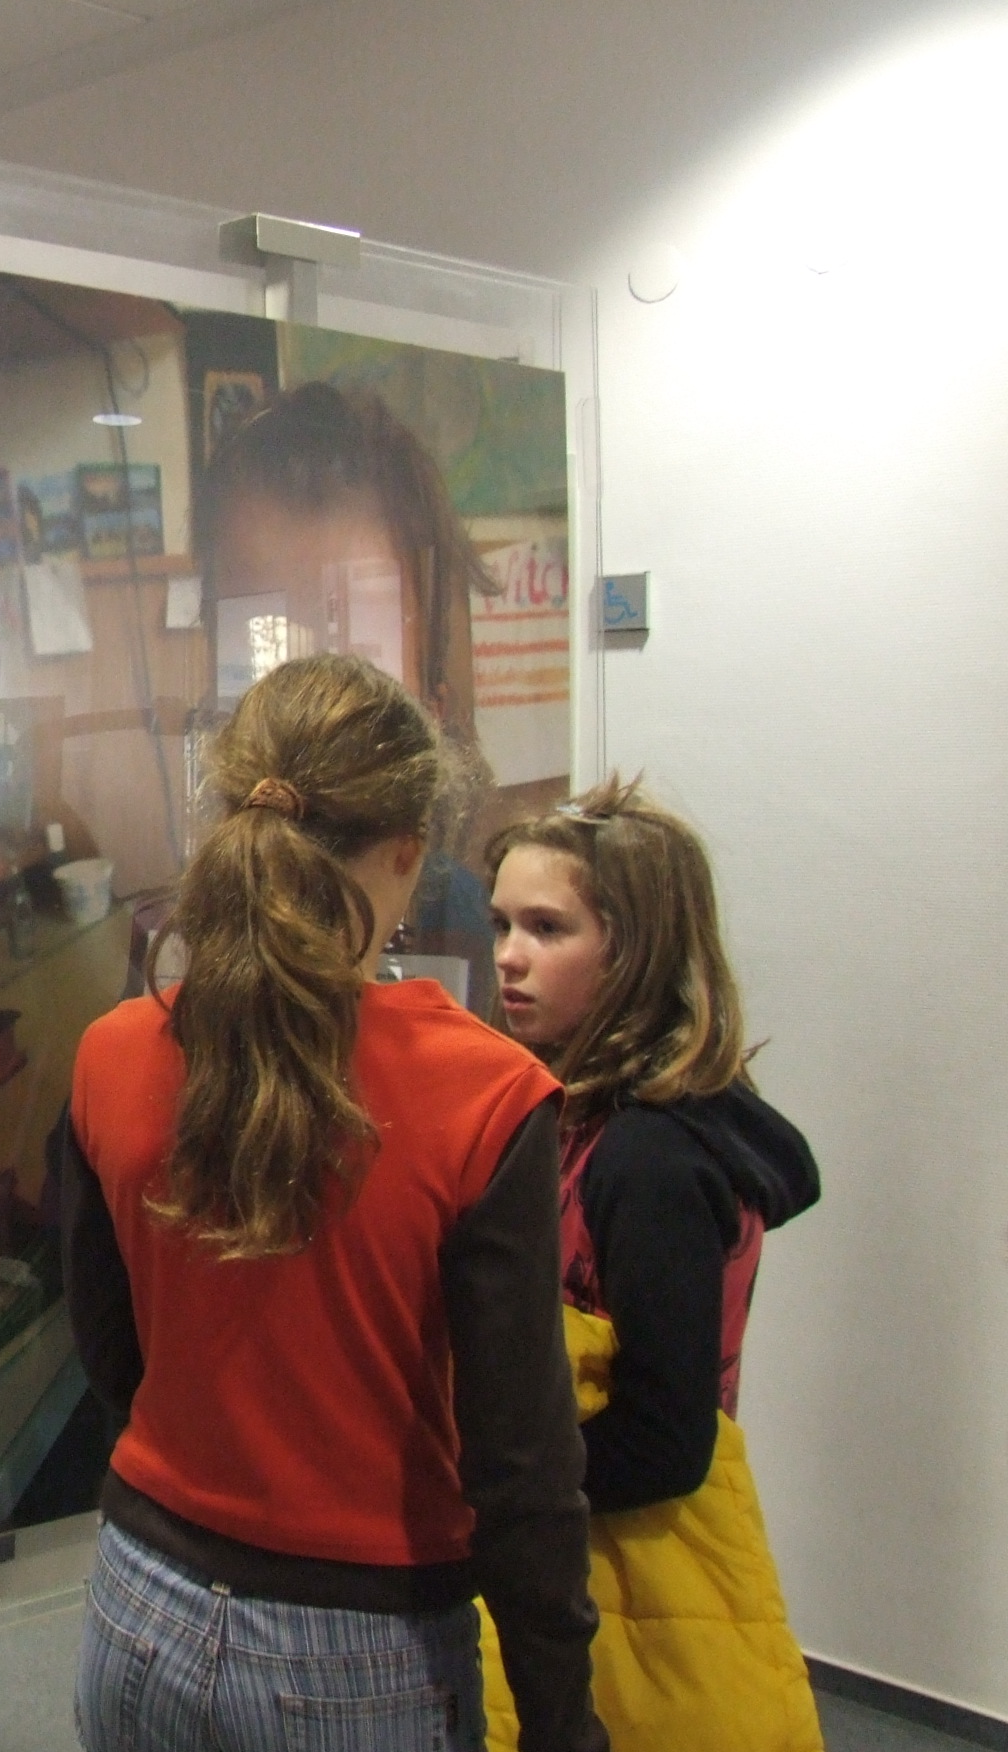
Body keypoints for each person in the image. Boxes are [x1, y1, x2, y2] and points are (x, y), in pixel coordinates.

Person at [63, 654, 605, 1752]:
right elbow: (521, 1470)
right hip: (359, 1653)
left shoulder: (111, 1053)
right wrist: (561, 1723)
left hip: (136, 1607)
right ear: (407, 850)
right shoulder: (486, 1096)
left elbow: (112, 1353)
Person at [481, 778, 824, 1751]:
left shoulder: (651, 1156)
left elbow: (668, 1437)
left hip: (636, 1568)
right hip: (579, 1544)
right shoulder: (576, 1113)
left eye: (548, 928)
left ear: (635, 949)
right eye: (502, 922)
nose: (509, 955)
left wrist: (488, 1484)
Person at [199, 380, 505, 1008]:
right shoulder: (188, 928)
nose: (310, 712)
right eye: (269, 636)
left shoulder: (468, 925)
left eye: (363, 657)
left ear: (434, 704)